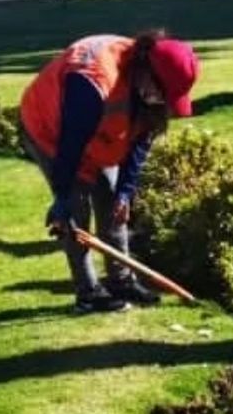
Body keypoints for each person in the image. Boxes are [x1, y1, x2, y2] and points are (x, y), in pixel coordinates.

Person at [19, 30, 200, 312]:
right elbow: (70, 148)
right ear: (145, 70)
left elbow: (140, 141)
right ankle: (88, 292)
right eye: (161, 94)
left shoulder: (147, 92)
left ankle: (121, 281)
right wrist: (62, 196)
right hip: (51, 132)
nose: (161, 102)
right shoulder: (93, 82)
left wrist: (125, 192)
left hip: (93, 135)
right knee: (76, 215)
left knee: (113, 205)